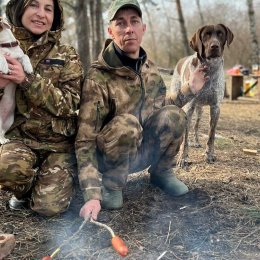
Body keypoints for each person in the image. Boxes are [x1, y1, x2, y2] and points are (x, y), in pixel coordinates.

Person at [75, 0, 209, 221]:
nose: (128, 29)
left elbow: (160, 108)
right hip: (109, 158)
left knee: (175, 115)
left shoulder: (151, 70)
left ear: (142, 28)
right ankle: (113, 186)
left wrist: (189, 89)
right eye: (121, 23)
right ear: (111, 31)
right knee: (126, 123)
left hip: (140, 150)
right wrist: (91, 193)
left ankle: (161, 173)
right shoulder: (97, 77)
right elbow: (84, 140)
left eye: (134, 22)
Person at [0, 0, 83, 216]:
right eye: (33, 5)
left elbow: (71, 103)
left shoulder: (67, 54)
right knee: (5, 168)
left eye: (48, 9)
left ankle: (57, 180)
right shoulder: (2, 49)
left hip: (58, 145)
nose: (41, 14)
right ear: (20, 9)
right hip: (21, 140)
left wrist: (27, 80)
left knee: (48, 208)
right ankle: (24, 190)